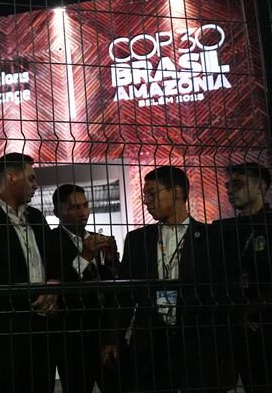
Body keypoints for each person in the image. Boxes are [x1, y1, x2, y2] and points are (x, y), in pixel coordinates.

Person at [102, 166, 237, 392]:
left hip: (197, 341)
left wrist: (226, 347)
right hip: (150, 344)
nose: (146, 201)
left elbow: (224, 296)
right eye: (145, 195)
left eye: (152, 193)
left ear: (176, 192)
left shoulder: (211, 238)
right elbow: (123, 295)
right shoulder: (138, 240)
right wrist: (112, 338)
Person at [0, 152, 60, 393]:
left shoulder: (36, 217)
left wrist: (53, 284)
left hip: (42, 327)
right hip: (2, 329)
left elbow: (53, 258)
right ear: (11, 177)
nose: (36, 185)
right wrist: (38, 295)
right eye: (31, 178)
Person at [49, 184, 118, 393]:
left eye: (85, 205)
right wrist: (85, 257)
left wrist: (112, 262)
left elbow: (111, 287)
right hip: (73, 340)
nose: (83, 212)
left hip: (104, 333)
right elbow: (57, 285)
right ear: (58, 212)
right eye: (74, 207)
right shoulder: (50, 241)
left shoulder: (96, 239)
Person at [212, 162, 272, 392]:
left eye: (237, 184)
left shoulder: (268, 225)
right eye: (228, 186)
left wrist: (252, 309)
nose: (229, 191)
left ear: (260, 187)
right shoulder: (226, 231)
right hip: (237, 329)